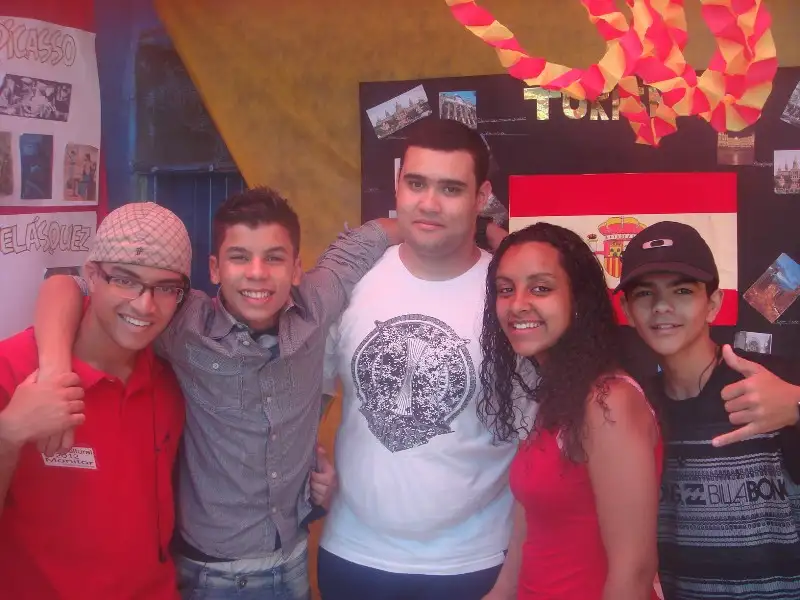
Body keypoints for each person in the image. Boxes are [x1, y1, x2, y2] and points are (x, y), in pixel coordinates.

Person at [33, 187, 401, 600]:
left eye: (274, 258)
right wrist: (53, 371)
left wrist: (446, 228)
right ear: (214, 268)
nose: (257, 273)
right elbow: (67, 286)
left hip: (293, 559)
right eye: (239, 257)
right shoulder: (182, 322)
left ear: (297, 268)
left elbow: (371, 237)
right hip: (210, 576)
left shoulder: (315, 304)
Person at [318, 118, 535, 600]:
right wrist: (310, 465)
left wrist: (512, 578)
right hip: (353, 556)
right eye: (416, 183)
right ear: (398, 185)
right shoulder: (352, 283)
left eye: (450, 188)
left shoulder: (512, 297)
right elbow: (304, 398)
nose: (429, 203)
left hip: (474, 564)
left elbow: (537, 446)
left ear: (481, 197)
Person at [0, 202, 191, 599]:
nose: (144, 305)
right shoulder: (12, 370)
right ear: (91, 275)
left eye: (165, 287)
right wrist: (8, 435)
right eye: (125, 280)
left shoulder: (171, 379)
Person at [478, 223, 662, 600]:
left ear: (578, 300)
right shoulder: (554, 396)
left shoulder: (608, 402)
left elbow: (633, 572)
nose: (517, 304)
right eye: (506, 289)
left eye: (540, 288)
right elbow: (531, 533)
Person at [618, 221, 800, 599]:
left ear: (713, 304)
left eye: (682, 290)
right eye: (645, 293)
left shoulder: (771, 381)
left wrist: (797, 405)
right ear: (627, 310)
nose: (662, 306)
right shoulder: (631, 406)